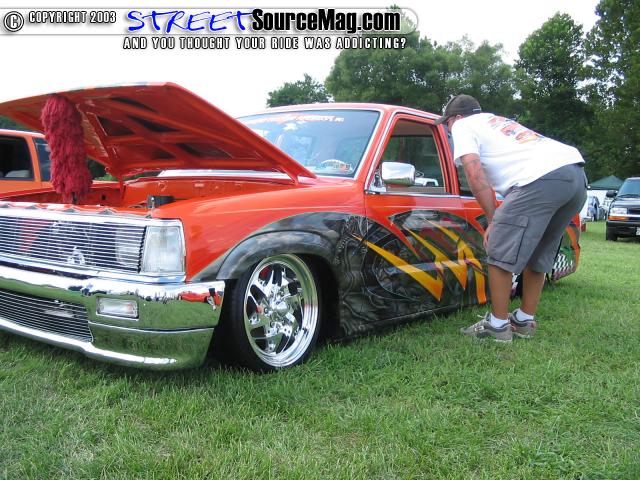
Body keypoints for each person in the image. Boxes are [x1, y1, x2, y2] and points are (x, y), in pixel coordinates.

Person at [435, 94, 587, 342]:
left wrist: (493, 220)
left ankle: (497, 326)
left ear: (457, 117)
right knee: (540, 251)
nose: (448, 130)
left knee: (499, 247)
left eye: (447, 124)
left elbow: (474, 172)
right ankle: (525, 321)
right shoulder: (497, 121)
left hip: (541, 179)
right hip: (576, 176)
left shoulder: (463, 125)